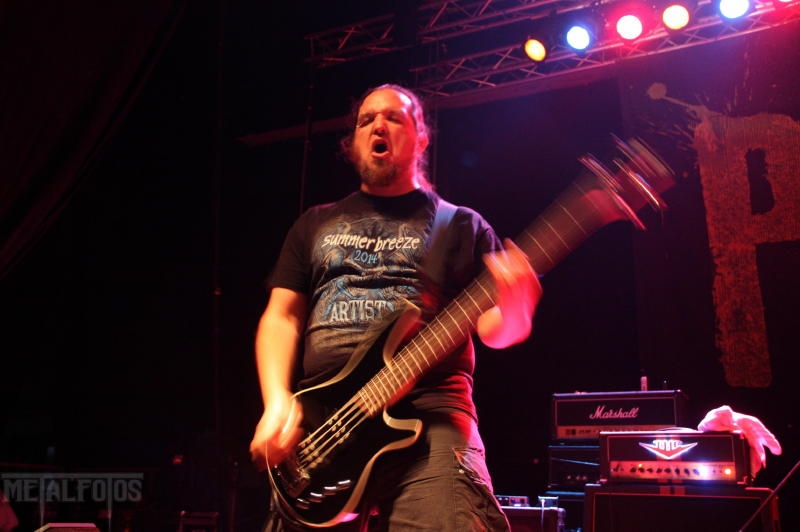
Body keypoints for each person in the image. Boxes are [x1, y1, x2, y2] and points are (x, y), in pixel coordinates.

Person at [249, 83, 542, 531]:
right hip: (322, 427)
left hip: (431, 418)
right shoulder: (314, 223)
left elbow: (495, 330)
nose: (378, 125)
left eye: (394, 117)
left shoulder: (461, 225)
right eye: (366, 120)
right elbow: (281, 316)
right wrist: (275, 402)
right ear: (352, 144)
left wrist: (518, 305)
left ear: (421, 138)